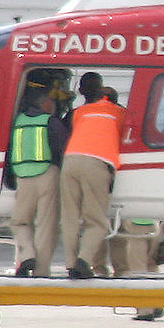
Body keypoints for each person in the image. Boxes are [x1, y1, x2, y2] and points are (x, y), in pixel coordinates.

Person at [58, 85, 127, 280]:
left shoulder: (80, 112)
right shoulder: (119, 113)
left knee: (70, 217)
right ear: (113, 100)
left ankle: (70, 264)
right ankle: (84, 261)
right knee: (96, 221)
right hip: (97, 162)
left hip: (70, 161)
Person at [8, 86, 69, 277]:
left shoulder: (17, 122)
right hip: (47, 175)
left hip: (22, 177)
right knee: (46, 225)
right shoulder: (50, 121)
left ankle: (26, 256)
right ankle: (41, 272)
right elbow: (62, 150)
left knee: (19, 222)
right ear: (44, 103)